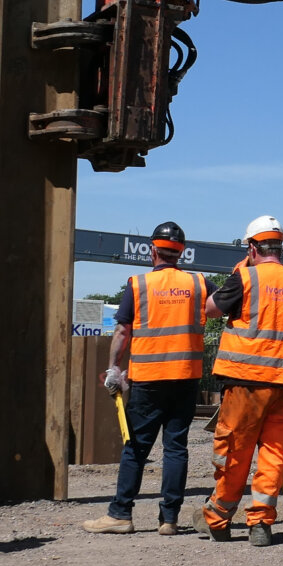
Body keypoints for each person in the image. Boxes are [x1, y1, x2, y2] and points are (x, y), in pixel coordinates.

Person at [201, 215, 283, 547]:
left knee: (234, 452)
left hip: (246, 381)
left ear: (252, 247)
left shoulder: (245, 277)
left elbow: (211, 309)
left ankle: (219, 518)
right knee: (275, 453)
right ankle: (261, 525)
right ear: (280, 248)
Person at [83, 221, 208, 536]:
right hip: (185, 379)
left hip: (148, 380)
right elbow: (221, 307)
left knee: (136, 447)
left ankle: (121, 514)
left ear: (152, 251)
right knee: (176, 447)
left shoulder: (138, 285)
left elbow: (123, 330)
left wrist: (114, 367)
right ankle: (169, 519)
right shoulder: (197, 284)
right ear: (181, 253)